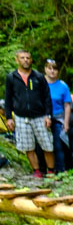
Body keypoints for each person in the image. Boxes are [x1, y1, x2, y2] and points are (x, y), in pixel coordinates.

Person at [3, 50, 54, 178]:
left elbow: (47, 97)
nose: (25, 60)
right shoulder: (11, 78)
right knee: (28, 146)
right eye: (22, 58)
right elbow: (8, 99)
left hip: (40, 116)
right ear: (17, 60)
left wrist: (48, 115)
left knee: (47, 144)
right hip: (21, 117)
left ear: (31, 60)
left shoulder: (38, 77)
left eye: (28, 58)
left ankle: (51, 171)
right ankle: (36, 171)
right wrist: (9, 118)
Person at [44, 59, 72, 174]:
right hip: (43, 117)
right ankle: (44, 169)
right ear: (45, 69)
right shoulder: (40, 83)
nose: (52, 71)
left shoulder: (63, 86)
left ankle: (60, 170)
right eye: (49, 68)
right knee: (44, 144)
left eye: (54, 68)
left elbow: (67, 105)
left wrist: (66, 123)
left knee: (58, 144)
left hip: (58, 117)